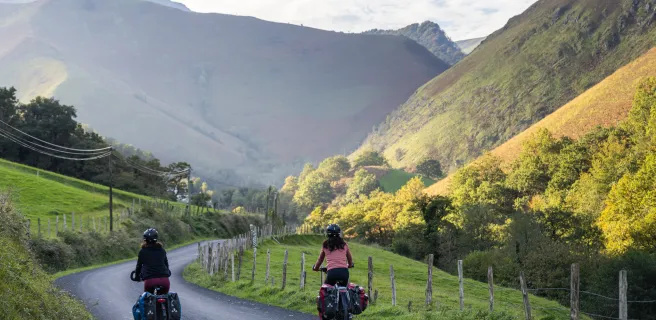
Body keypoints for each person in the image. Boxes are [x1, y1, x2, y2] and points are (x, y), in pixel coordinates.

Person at [133, 228, 172, 294]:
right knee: (166, 297)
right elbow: (166, 264)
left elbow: (138, 266)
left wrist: (137, 277)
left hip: (150, 281)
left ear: (145, 240)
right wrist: (167, 271)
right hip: (164, 280)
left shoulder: (142, 251)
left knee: (147, 300)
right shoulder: (162, 250)